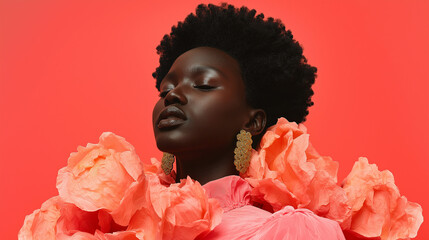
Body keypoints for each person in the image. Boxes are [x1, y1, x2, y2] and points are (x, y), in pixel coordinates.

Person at [18, 3, 423, 240]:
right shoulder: (117, 224)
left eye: (203, 84)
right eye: (166, 88)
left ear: (254, 120)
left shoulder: (290, 231)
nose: (173, 95)